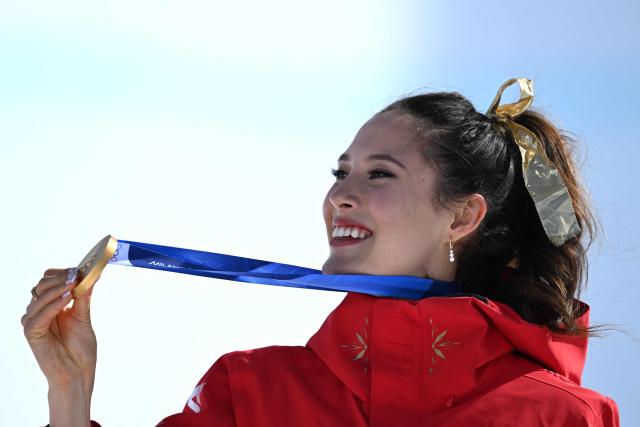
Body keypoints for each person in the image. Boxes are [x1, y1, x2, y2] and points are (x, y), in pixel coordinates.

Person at [22, 79, 620, 426]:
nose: (340, 195)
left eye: (379, 175)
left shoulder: (560, 417)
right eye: (340, 172)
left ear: (461, 216)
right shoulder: (249, 394)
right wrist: (69, 396)